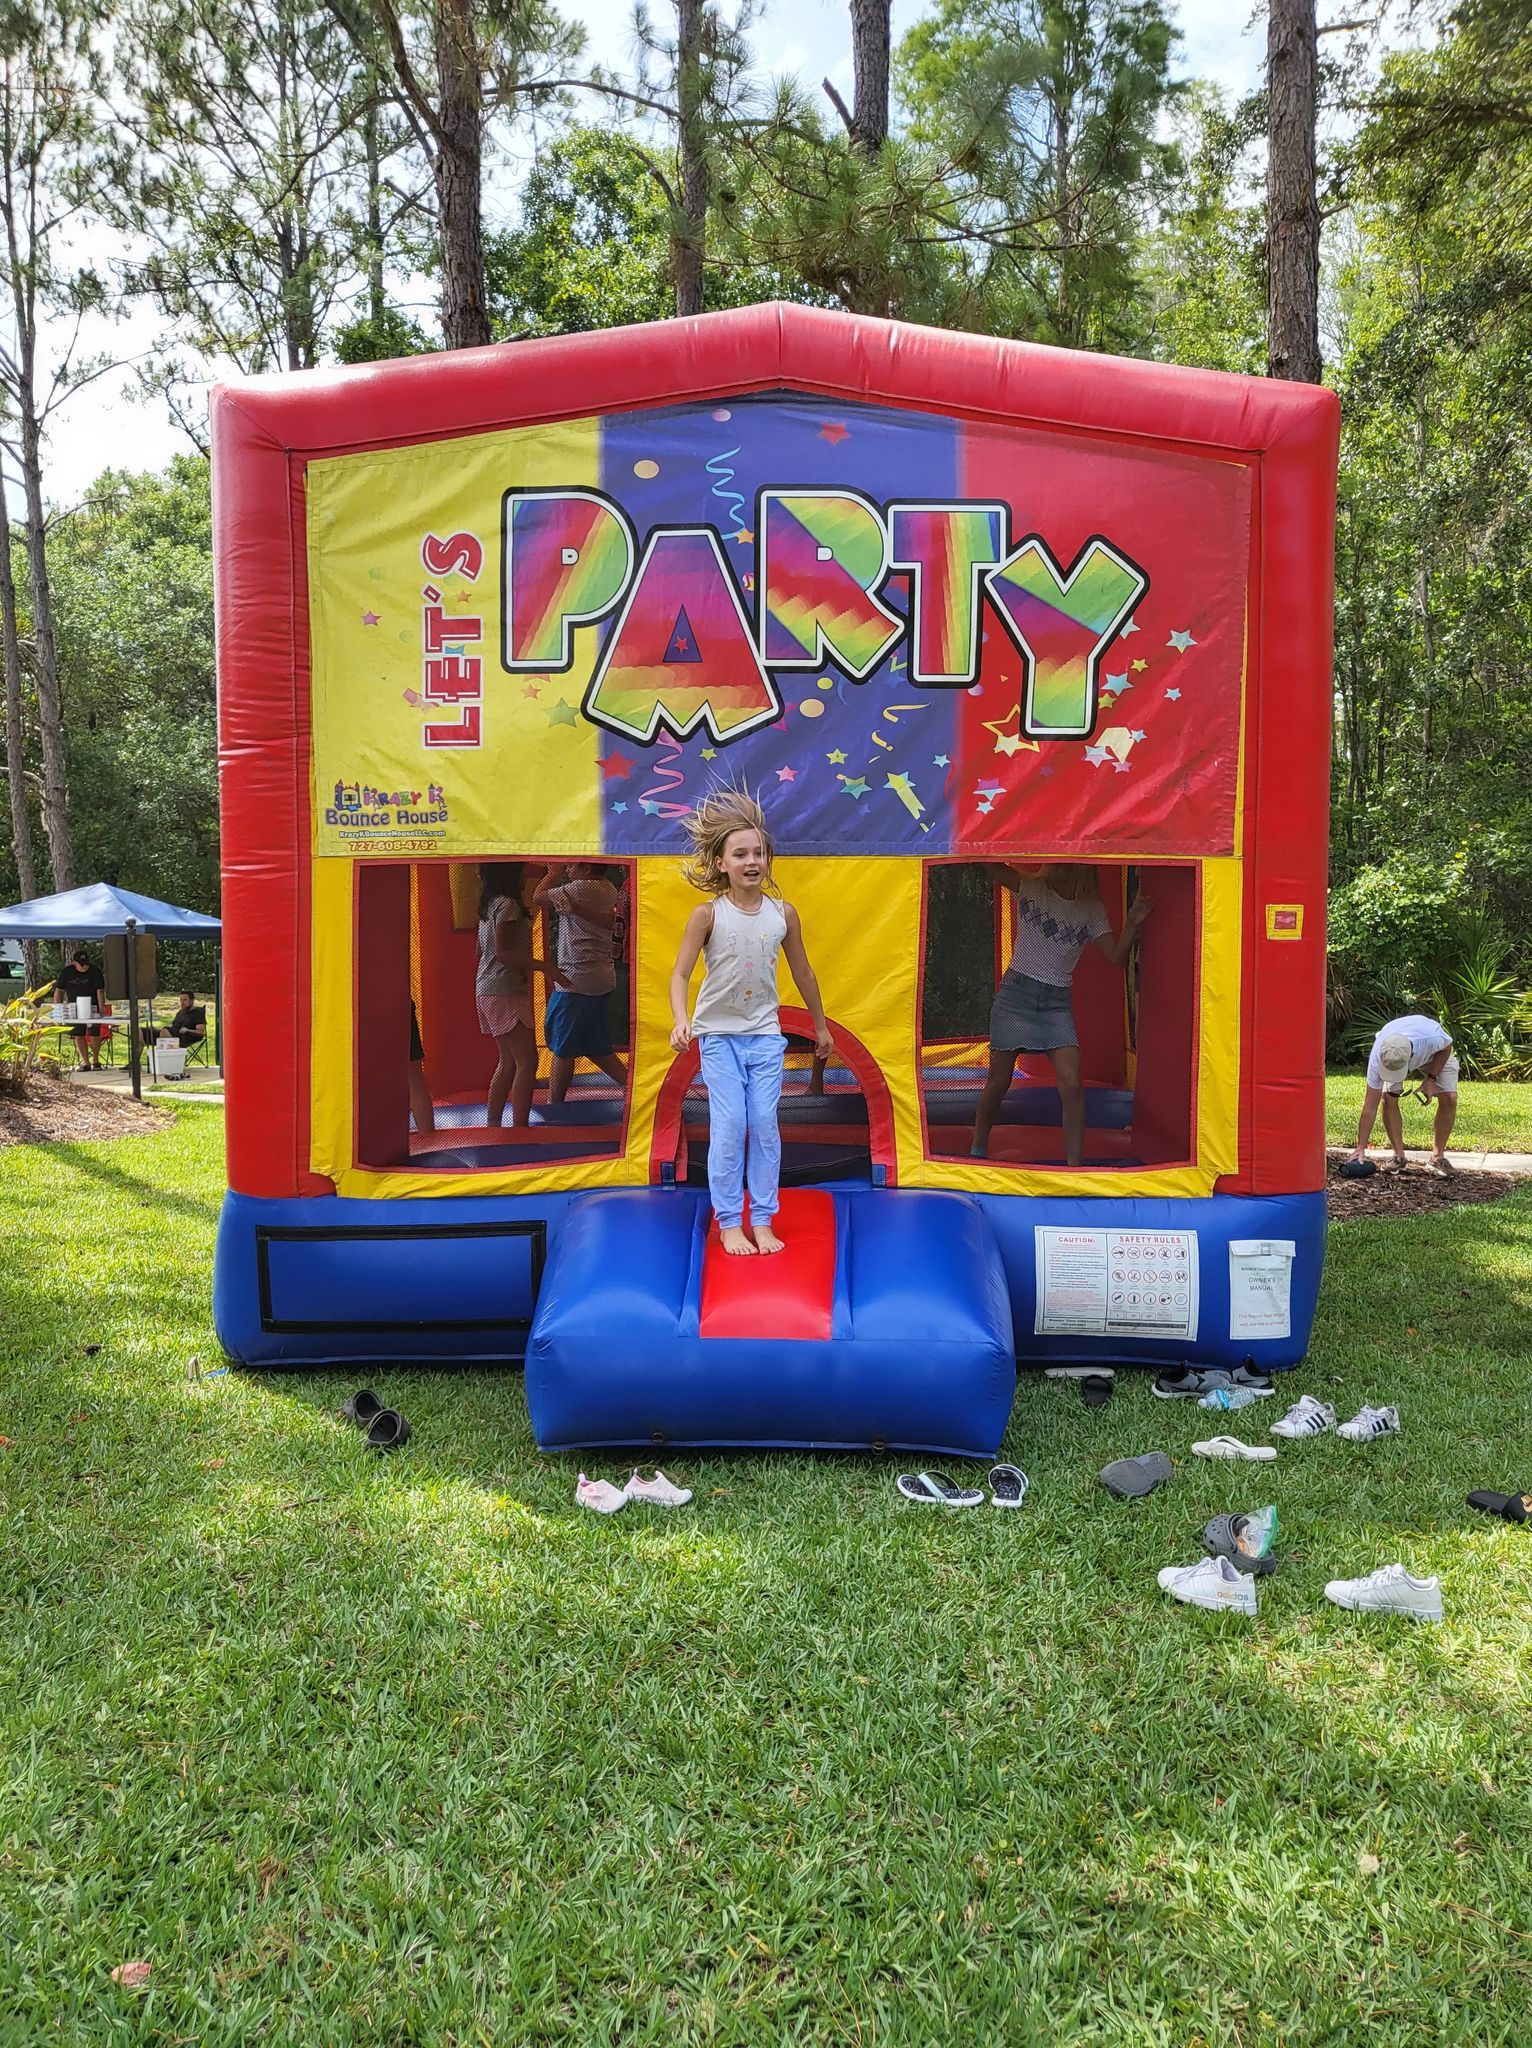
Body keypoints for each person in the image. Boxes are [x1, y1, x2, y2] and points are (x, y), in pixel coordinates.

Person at [668, 789, 833, 1256]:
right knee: (729, 1123)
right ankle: (727, 1220)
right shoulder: (707, 915)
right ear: (721, 863)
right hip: (719, 1036)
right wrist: (682, 1021)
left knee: (763, 1124)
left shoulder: (783, 914)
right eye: (740, 853)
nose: (752, 860)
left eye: (759, 852)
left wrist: (820, 1026)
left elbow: (803, 972)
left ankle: (761, 1218)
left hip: (763, 1035)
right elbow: (680, 974)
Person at [970, 863, 1152, 1166]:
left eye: (1070, 866)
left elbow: (1117, 957)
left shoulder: (1090, 911)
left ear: (1082, 871)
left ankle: (1074, 1165)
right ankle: (978, 1145)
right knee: (999, 1082)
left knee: (1071, 1085)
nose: (1063, 871)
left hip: (1055, 1004)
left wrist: (1133, 922)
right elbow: (989, 867)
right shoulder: (1032, 888)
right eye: (1060, 864)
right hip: (1017, 996)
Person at [475, 862, 564, 1129]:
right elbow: (504, 953)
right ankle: (520, 1126)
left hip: (488, 988)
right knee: (527, 1061)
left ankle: (493, 1123)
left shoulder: (487, 907)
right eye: (522, 871)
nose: (526, 875)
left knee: (509, 1061)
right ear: (510, 875)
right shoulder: (508, 907)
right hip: (505, 989)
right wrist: (545, 967)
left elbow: (482, 953)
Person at [532, 861, 627, 1104]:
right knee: (597, 1047)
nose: (567, 869)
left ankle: (555, 1106)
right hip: (601, 977)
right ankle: (633, 1088)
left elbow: (538, 897)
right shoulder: (608, 888)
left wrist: (551, 873)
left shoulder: (579, 888)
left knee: (562, 1048)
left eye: (572, 865)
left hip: (576, 979)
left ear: (586, 869)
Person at [1351, 1014, 1458, 1176]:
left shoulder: (1432, 1038)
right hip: (1394, 1052)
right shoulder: (1380, 1056)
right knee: (1388, 1097)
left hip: (1435, 1054)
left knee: (1449, 1097)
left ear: (1411, 1056)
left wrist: (1431, 1078)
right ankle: (1398, 1156)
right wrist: (1360, 1147)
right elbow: (1369, 1107)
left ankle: (1438, 1157)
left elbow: (1447, 1048)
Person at [43, 948, 107, 1070]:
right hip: (74, 1008)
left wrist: (102, 1007)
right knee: (78, 1034)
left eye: (86, 965)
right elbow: (59, 991)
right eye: (81, 965)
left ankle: (96, 1060)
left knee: (94, 1032)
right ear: (74, 963)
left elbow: (100, 991)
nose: (84, 967)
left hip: (92, 1007)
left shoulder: (95, 971)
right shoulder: (67, 972)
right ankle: (86, 1062)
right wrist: (58, 1008)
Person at [408, 997, 435, 1136]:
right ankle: (427, 1134)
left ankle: (427, 1134)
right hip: (399, 1006)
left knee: (414, 1079)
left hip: (366, 1009)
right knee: (414, 1079)